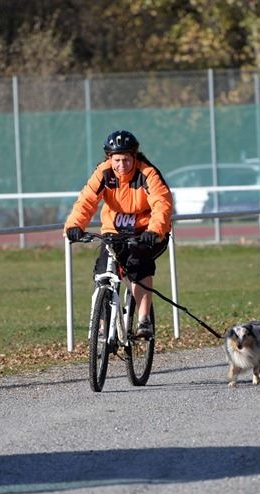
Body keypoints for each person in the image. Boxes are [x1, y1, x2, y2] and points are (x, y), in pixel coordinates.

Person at [64, 130, 173, 338]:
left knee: (138, 264)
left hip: (146, 230)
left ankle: (143, 320)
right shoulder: (104, 173)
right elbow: (86, 201)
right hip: (114, 231)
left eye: (126, 159)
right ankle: (103, 326)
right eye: (117, 160)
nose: (121, 165)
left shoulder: (147, 174)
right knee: (103, 272)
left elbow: (162, 204)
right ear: (109, 158)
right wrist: (74, 226)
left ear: (134, 157)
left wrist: (154, 230)